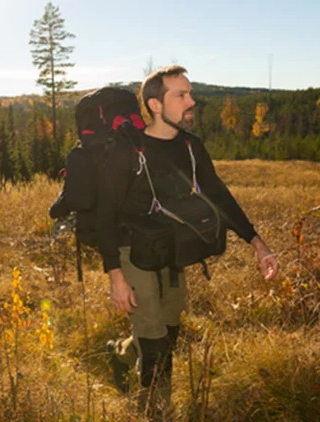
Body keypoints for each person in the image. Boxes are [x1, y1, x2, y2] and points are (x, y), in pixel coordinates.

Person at [96, 65, 280, 416]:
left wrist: (258, 244)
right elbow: (105, 215)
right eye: (181, 95)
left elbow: (219, 198)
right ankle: (154, 408)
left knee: (169, 330)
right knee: (152, 337)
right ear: (154, 104)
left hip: (172, 248)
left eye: (190, 93)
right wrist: (115, 276)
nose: (191, 101)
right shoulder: (127, 152)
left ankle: (119, 354)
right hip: (132, 249)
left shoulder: (192, 147)